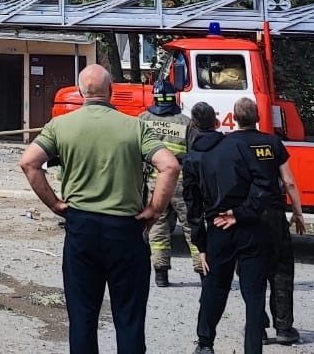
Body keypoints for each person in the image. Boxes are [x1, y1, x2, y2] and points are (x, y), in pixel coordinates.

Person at [19, 64, 180, 354]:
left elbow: (28, 163)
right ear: (112, 91)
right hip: (126, 230)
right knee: (129, 318)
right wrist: (155, 210)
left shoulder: (61, 125)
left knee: (82, 318)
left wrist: (55, 204)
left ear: (81, 92)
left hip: (82, 229)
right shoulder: (135, 126)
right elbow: (169, 166)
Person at [185, 98, 274, 354]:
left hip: (217, 229)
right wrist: (241, 212)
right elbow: (265, 185)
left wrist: (200, 244)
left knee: (215, 287)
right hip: (250, 227)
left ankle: (205, 344)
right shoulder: (237, 147)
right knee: (254, 292)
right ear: (216, 122)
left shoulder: (193, 160)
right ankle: (253, 348)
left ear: (193, 125)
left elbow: (193, 207)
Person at [227, 97, 307, 346]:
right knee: (281, 270)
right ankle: (284, 328)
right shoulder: (273, 143)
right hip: (273, 214)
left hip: (243, 215)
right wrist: (297, 212)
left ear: (234, 118)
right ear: (258, 118)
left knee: (250, 270)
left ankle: (257, 327)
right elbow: (289, 181)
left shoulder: (228, 144)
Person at [138, 78, 201, 286]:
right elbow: (195, 154)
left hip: (155, 184)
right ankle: (203, 272)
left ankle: (161, 274)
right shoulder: (186, 122)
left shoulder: (142, 120)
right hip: (182, 183)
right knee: (192, 226)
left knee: (158, 227)